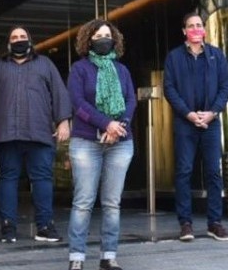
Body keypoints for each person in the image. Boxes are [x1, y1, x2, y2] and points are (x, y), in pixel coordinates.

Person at [0, 26, 71, 243]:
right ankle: (8, 227)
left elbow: (59, 93)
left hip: (39, 132)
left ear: (30, 40)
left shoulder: (45, 64)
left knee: (43, 179)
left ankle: (45, 226)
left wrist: (63, 121)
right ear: (8, 43)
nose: (19, 40)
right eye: (14, 37)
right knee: (8, 179)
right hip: (7, 133)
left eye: (22, 37)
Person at [66, 19, 136, 270]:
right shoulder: (80, 69)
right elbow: (78, 104)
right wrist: (106, 123)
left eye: (108, 35)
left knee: (111, 202)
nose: (104, 39)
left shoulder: (122, 70)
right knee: (83, 202)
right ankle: (77, 258)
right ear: (89, 40)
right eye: (99, 35)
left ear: (114, 40)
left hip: (121, 142)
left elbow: (130, 100)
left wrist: (120, 126)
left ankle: (108, 256)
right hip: (86, 142)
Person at [163, 12, 228, 242]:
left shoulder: (216, 56)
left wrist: (212, 113)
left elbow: (225, 87)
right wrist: (189, 114)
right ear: (184, 31)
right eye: (190, 26)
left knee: (213, 172)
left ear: (204, 28)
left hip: (211, 123)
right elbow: (169, 89)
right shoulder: (174, 58)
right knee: (184, 172)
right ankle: (185, 224)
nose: (195, 29)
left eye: (199, 25)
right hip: (186, 123)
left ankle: (215, 223)